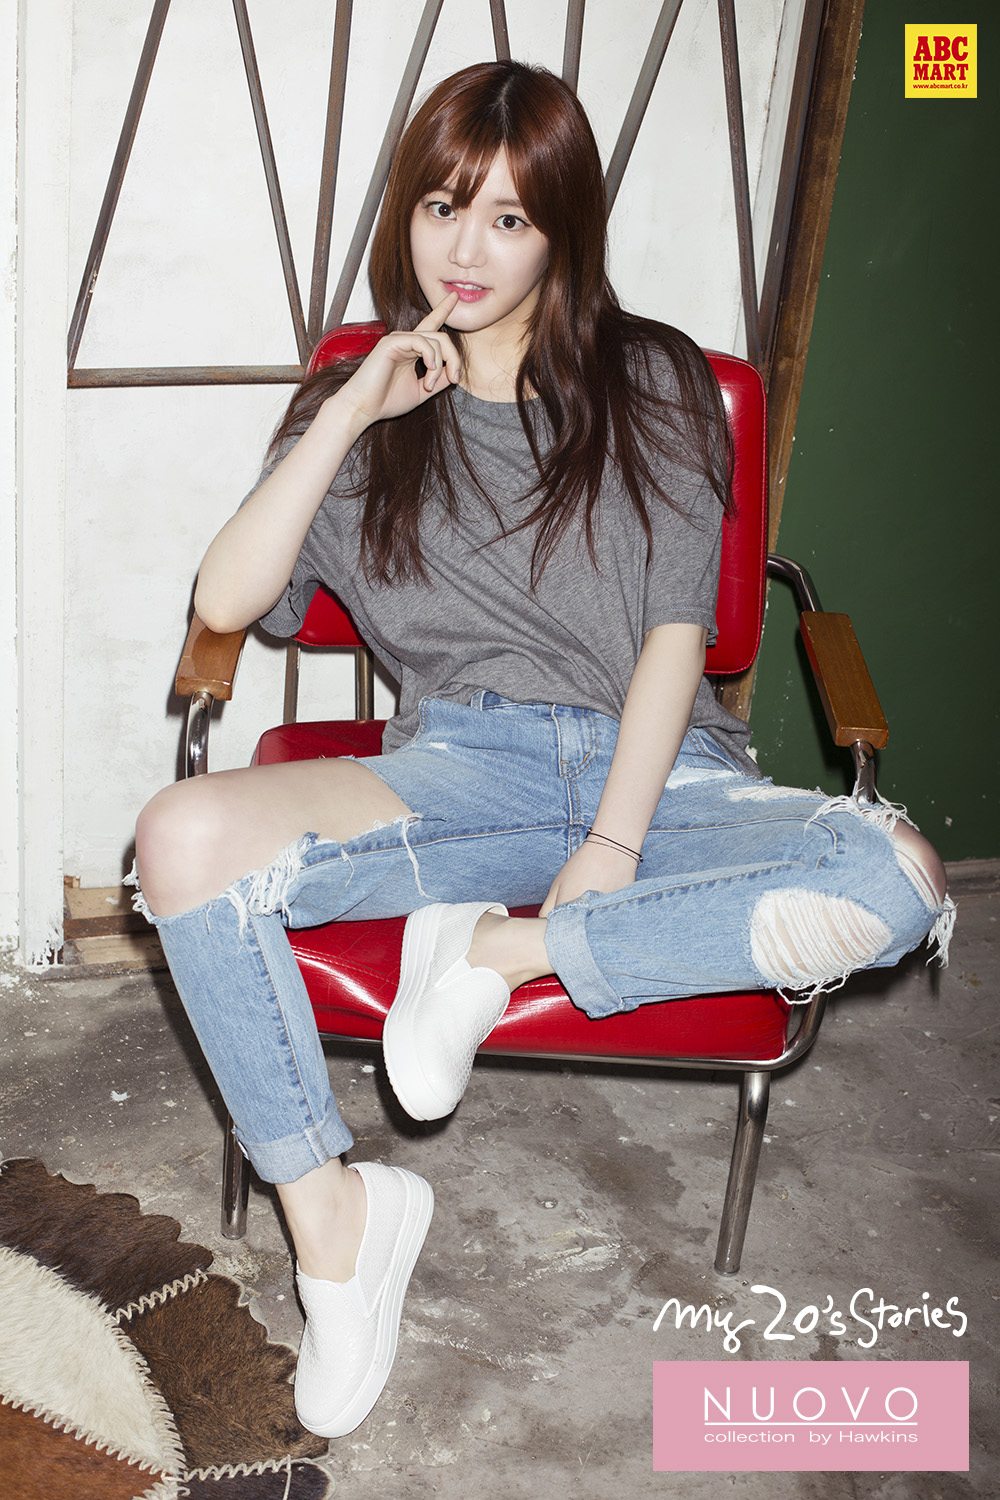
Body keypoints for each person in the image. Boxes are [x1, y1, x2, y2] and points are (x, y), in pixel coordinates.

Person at [130, 60, 954, 1441]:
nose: (466, 248)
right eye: (443, 207)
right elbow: (225, 600)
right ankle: (338, 1222)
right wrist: (350, 409)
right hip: (468, 768)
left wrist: (610, 848)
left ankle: (496, 955)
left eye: (508, 218)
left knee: (898, 880)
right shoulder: (367, 407)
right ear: (408, 212)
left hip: (667, 771)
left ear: (563, 231)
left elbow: (677, 634)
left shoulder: (655, 379)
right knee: (177, 838)